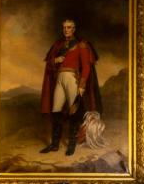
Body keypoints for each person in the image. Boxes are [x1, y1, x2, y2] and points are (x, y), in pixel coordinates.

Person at [39, 18, 102, 156]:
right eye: (64, 28)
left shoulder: (81, 45)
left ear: (74, 29)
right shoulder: (58, 45)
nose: (66, 30)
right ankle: (55, 144)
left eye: (69, 27)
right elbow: (50, 62)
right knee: (56, 110)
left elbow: (86, 67)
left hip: (72, 78)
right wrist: (55, 60)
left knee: (74, 111)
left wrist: (82, 85)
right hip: (59, 79)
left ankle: (71, 144)